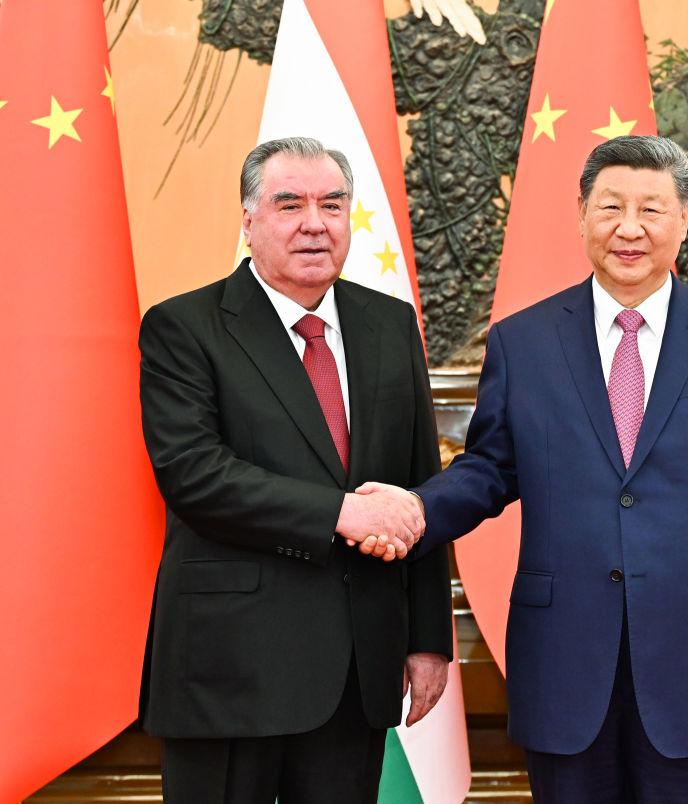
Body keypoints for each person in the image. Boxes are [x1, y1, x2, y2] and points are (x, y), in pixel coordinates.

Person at [359, 135, 688, 803]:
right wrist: (417, 509)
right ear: (581, 215)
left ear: (684, 218)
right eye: (610, 207)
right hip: (565, 661)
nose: (630, 228)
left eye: (651, 210)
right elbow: (489, 469)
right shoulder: (524, 341)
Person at [137, 136, 452, 803]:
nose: (315, 223)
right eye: (290, 205)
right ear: (249, 220)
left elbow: (419, 487)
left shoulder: (390, 324)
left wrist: (428, 639)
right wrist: (344, 513)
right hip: (230, 669)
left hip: (358, 671)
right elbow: (195, 475)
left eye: (332, 205)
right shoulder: (184, 327)